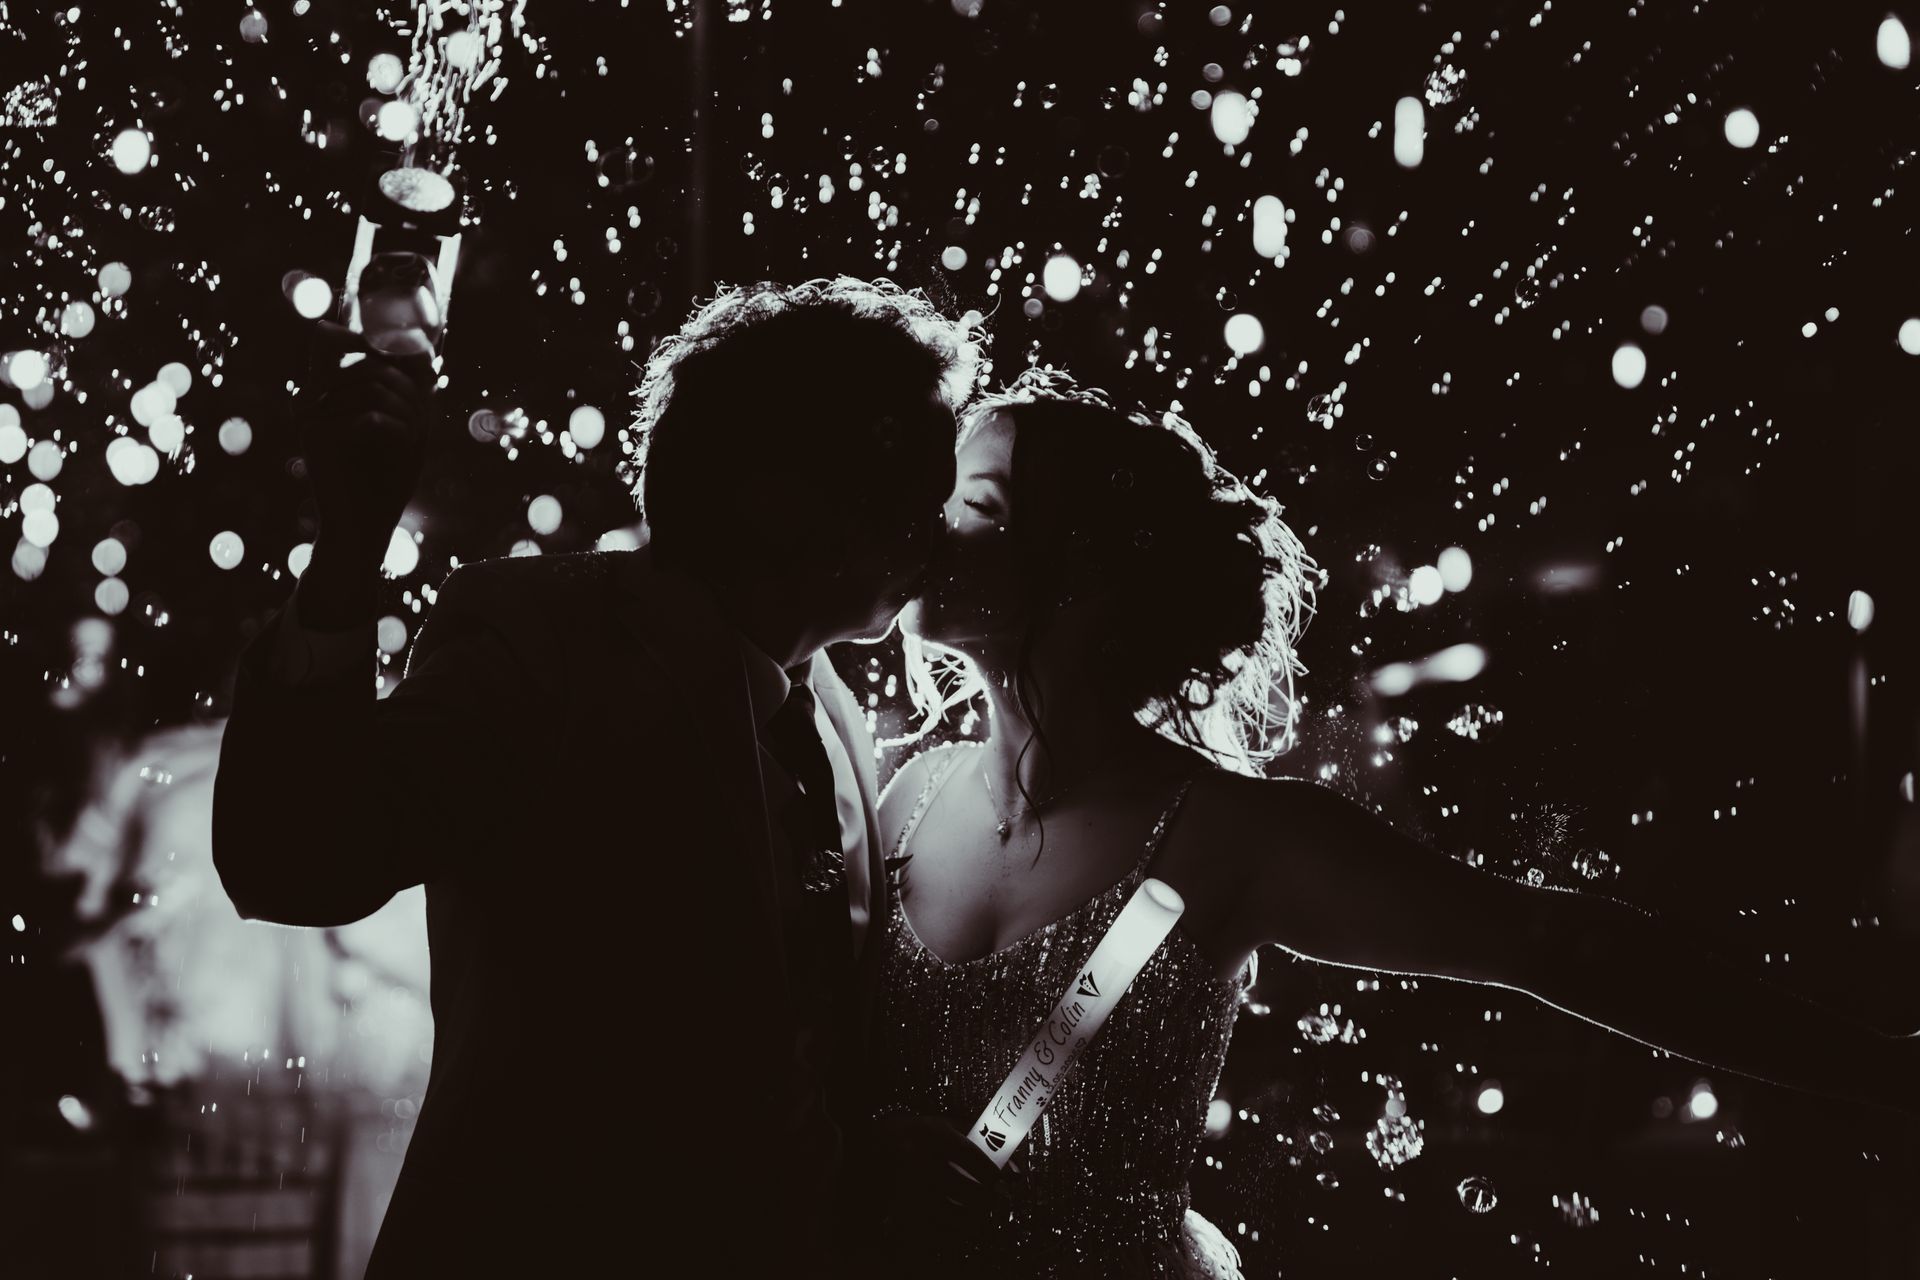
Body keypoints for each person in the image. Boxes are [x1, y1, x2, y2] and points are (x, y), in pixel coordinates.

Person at [870, 366, 1920, 1279]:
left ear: (1086, 570)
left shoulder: (1226, 837)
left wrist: (1882, 1068)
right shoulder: (903, 799)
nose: (929, 524)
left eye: (979, 505)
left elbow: (1554, 943)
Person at [212, 277, 999, 1276]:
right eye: (918, 478)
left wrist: (856, 1171)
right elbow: (292, 857)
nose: (940, 522)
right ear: (791, 490)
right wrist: (351, 545)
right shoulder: (547, 644)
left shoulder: (828, 706)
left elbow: (771, 1059)